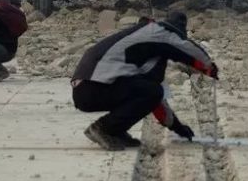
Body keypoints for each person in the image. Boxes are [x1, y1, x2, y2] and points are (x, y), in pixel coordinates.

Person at [72, 11, 215, 151]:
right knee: (152, 92)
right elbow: (188, 50)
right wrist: (211, 69)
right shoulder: (160, 33)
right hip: (92, 85)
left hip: (86, 86)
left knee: (147, 91)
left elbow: (153, 101)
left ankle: (115, 130)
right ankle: (103, 128)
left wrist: (177, 127)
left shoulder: (144, 41)